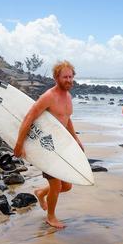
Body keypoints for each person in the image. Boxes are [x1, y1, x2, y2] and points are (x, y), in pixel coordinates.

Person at [14, 61, 83, 228]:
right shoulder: (48, 97)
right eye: (65, 77)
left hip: (60, 147)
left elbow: (67, 119)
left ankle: (40, 192)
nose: (69, 80)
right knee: (56, 184)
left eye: (71, 76)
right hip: (46, 146)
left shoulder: (68, 96)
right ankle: (50, 217)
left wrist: (76, 139)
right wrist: (19, 143)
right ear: (56, 78)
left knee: (66, 186)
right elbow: (29, 118)